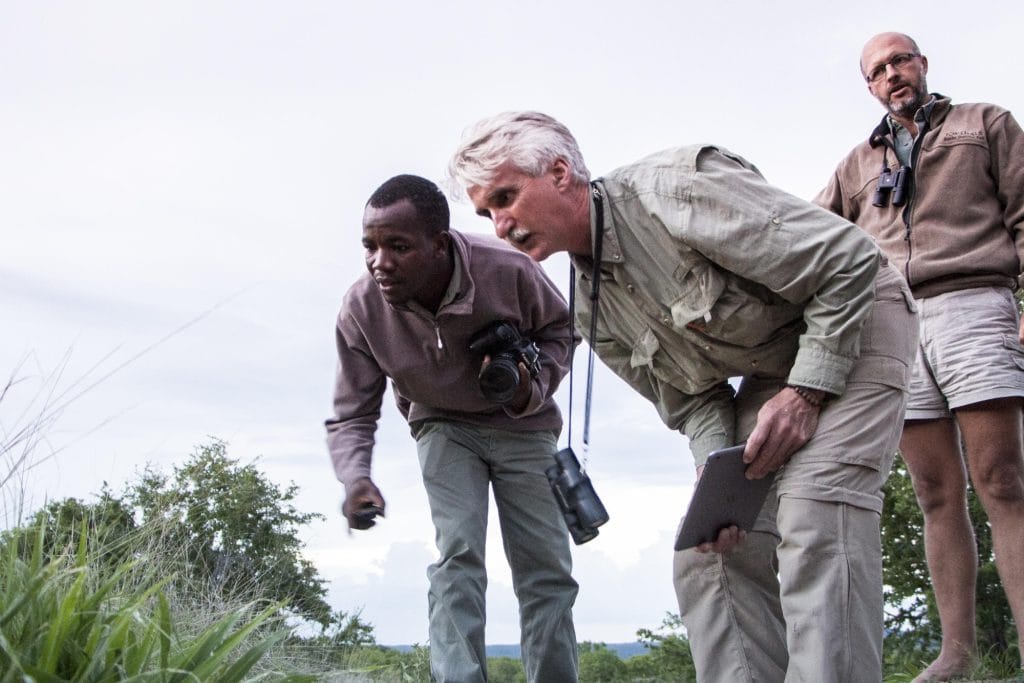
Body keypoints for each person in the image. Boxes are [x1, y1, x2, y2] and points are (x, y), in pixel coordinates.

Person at [448, 111, 919, 682]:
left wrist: (805, 395)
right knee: (708, 551)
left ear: (560, 171)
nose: (501, 225)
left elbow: (848, 261)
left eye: (506, 196)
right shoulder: (590, 311)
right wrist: (716, 481)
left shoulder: (676, 192)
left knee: (815, 511)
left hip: (858, 315)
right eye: (486, 212)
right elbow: (693, 399)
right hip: (775, 367)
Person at [815, 31, 1024, 681]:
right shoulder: (856, 165)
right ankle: (957, 654)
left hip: (975, 302)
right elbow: (810, 242)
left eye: (900, 60)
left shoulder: (983, 124)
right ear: (869, 86)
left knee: (1004, 481)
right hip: (896, 326)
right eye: (878, 70)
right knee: (936, 491)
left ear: (923, 64)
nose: (892, 74)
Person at [324, 174, 579, 683]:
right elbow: (353, 412)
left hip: (524, 425)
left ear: (438, 244)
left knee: (545, 569)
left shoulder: (509, 269)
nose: (380, 262)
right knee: (458, 556)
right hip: (441, 425)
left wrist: (531, 381)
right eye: (370, 247)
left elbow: (562, 331)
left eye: (398, 246)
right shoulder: (361, 308)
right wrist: (355, 478)